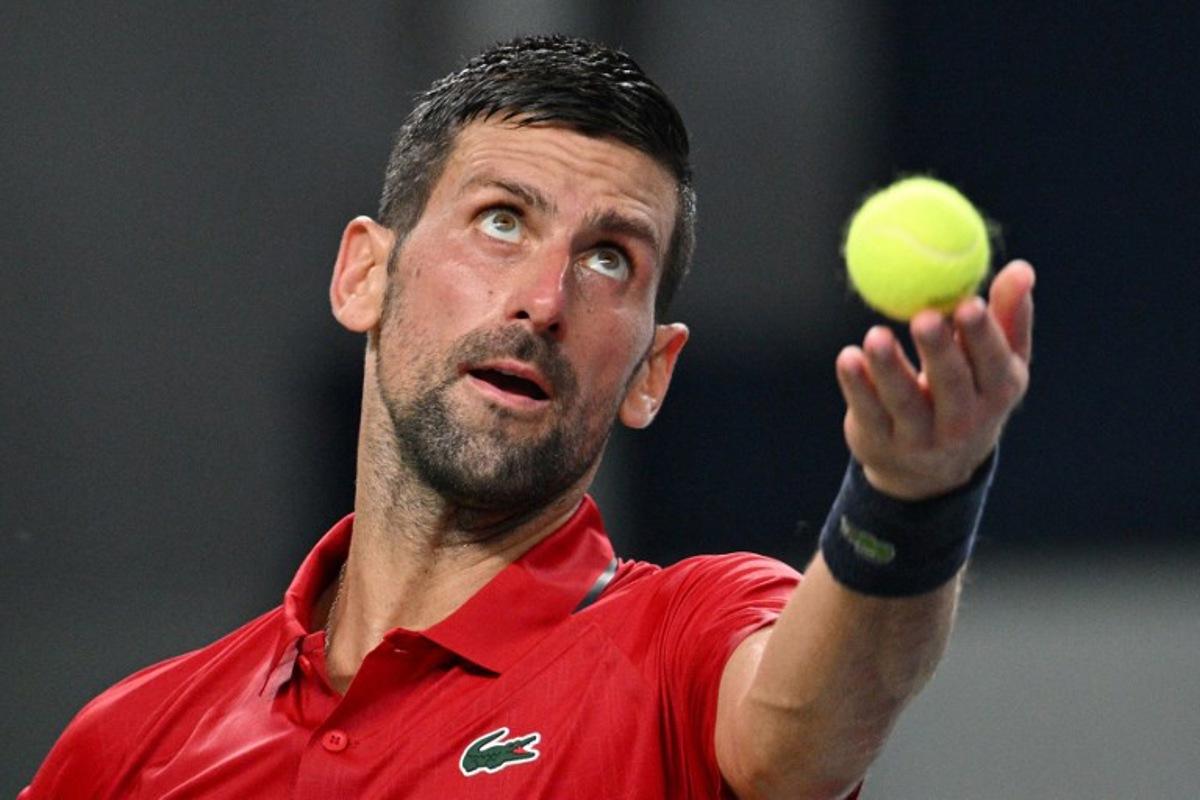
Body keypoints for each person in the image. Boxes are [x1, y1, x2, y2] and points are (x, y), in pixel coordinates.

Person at [21, 35, 1035, 799]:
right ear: (365, 273)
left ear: (653, 371)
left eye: (610, 259)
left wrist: (913, 496)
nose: (544, 299)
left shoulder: (683, 644)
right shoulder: (131, 745)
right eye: (501, 220)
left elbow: (812, 715)